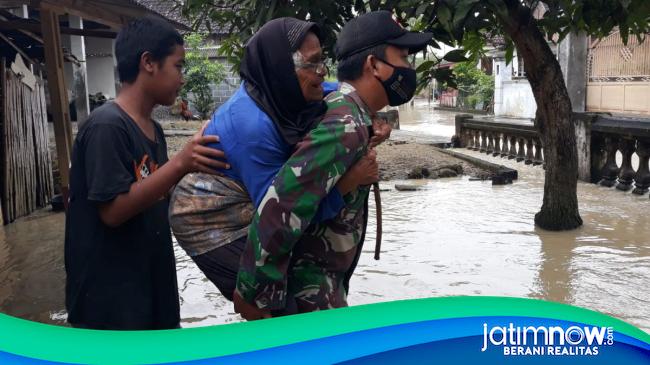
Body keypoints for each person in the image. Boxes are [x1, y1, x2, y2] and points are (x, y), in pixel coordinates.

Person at [234, 10, 432, 320]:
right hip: (311, 289)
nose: (407, 69)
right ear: (374, 65)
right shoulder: (346, 123)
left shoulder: (353, 115)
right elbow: (282, 205)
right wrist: (253, 294)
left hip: (328, 281)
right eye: (403, 58)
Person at [169, 18, 379, 303]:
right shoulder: (252, 128)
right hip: (208, 221)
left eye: (322, 61)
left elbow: (331, 88)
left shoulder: (277, 92)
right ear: (281, 67)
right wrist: (349, 182)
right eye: (312, 63)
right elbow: (281, 211)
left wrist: (370, 117)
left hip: (248, 198)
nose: (321, 72)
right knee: (283, 302)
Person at [64, 17, 226, 330]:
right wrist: (181, 163)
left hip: (149, 286)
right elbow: (112, 211)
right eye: (178, 66)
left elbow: (156, 192)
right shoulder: (106, 127)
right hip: (110, 300)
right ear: (148, 62)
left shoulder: (154, 131)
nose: (182, 78)